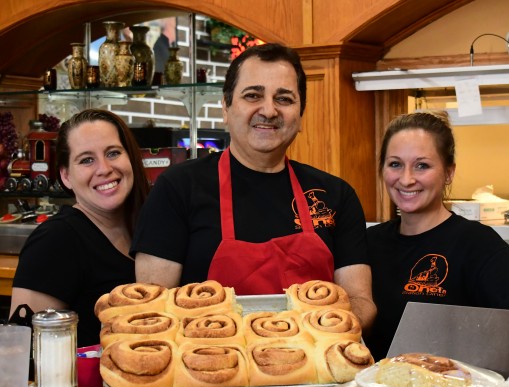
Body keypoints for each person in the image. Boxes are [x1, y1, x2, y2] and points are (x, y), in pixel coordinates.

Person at [132, 43, 377, 330]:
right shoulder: (177, 188)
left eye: (284, 99)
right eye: (253, 95)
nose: (269, 110)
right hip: (211, 363)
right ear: (226, 107)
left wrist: (332, 331)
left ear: (301, 115)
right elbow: (152, 308)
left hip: (314, 366)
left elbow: (361, 301)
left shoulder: (336, 196)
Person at [364, 111, 509, 360]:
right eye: (395, 164)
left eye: (422, 165)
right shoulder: (367, 243)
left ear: (449, 172)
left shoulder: (481, 247)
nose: (406, 179)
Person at [10, 109, 150, 347]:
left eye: (113, 153)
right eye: (86, 160)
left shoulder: (149, 227)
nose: (104, 168)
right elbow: (24, 351)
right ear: (66, 176)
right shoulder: (55, 241)